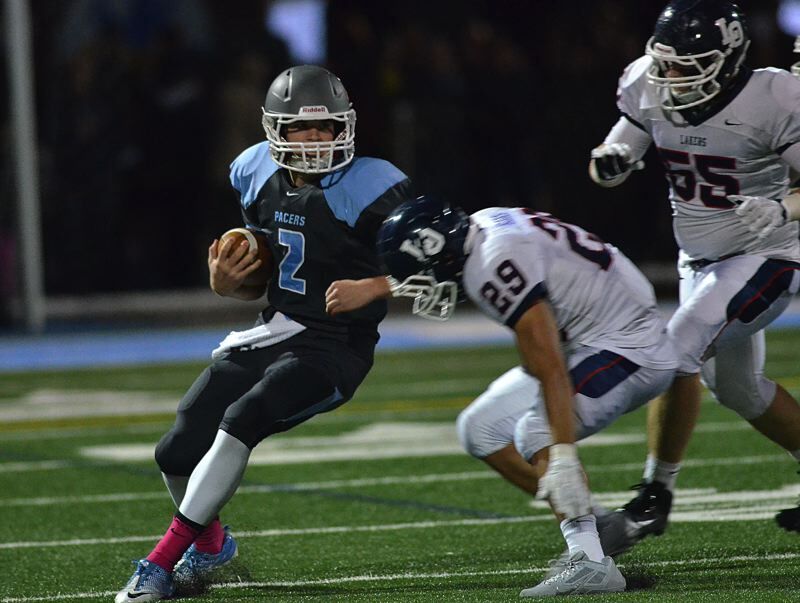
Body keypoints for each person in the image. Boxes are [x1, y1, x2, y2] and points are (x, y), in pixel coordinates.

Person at [115, 65, 412, 602]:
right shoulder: (254, 170)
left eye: (327, 128)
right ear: (276, 128)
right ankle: (212, 549)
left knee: (241, 419)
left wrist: (373, 287)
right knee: (177, 449)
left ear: (346, 127)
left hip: (336, 347)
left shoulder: (372, 185)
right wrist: (227, 282)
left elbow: (440, 268)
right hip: (275, 331)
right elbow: (270, 268)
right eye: (303, 127)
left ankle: (159, 564)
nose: (317, 139)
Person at [328, 196, 678, 597]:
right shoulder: (479, 228)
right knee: (481, 429)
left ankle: (592, 563)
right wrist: (378, 287)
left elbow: (548, 365)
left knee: (537, 431)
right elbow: (445, 262)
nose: (426, 285)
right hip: (590, 336)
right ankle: (597, 527)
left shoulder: (492, 267)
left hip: (628, 346)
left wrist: (561, 457)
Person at [587, 0, 800, 547]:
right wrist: (610, 159)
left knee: (673, 352)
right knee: (739, 390)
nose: (672, 77)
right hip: (698, 259)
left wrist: (782, 209)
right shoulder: (646, 80)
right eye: (666, 64)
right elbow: (622, 144)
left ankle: (654, 496)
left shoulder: (775, 97)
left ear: (728, 59)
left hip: (768, 253)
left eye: (688, 65)